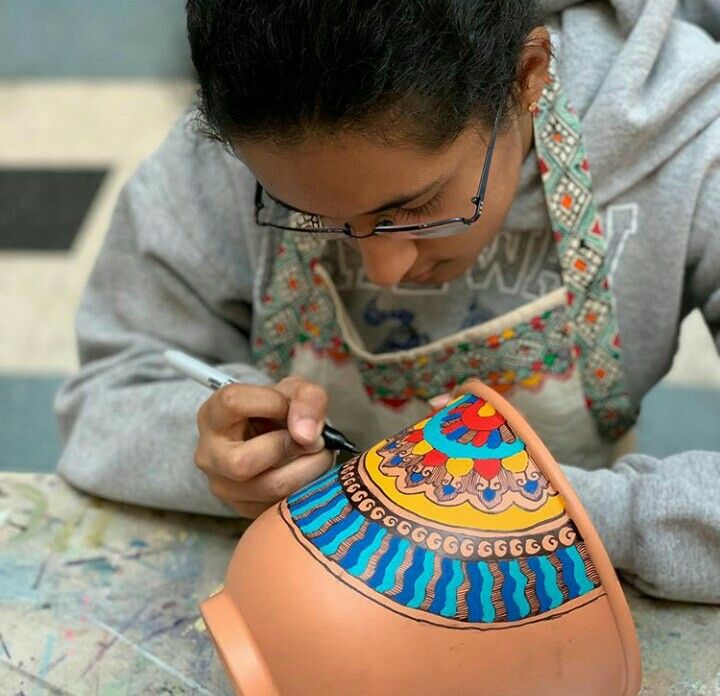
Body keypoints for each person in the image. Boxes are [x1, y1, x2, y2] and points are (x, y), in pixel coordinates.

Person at [56, 0, 720, 604]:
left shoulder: (691, 146)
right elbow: (109, 390)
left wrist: (572, 513)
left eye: (414, 207)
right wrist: (211, 453)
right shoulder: (240, 149)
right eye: (307, 212)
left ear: (529, 74)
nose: (386, 268)